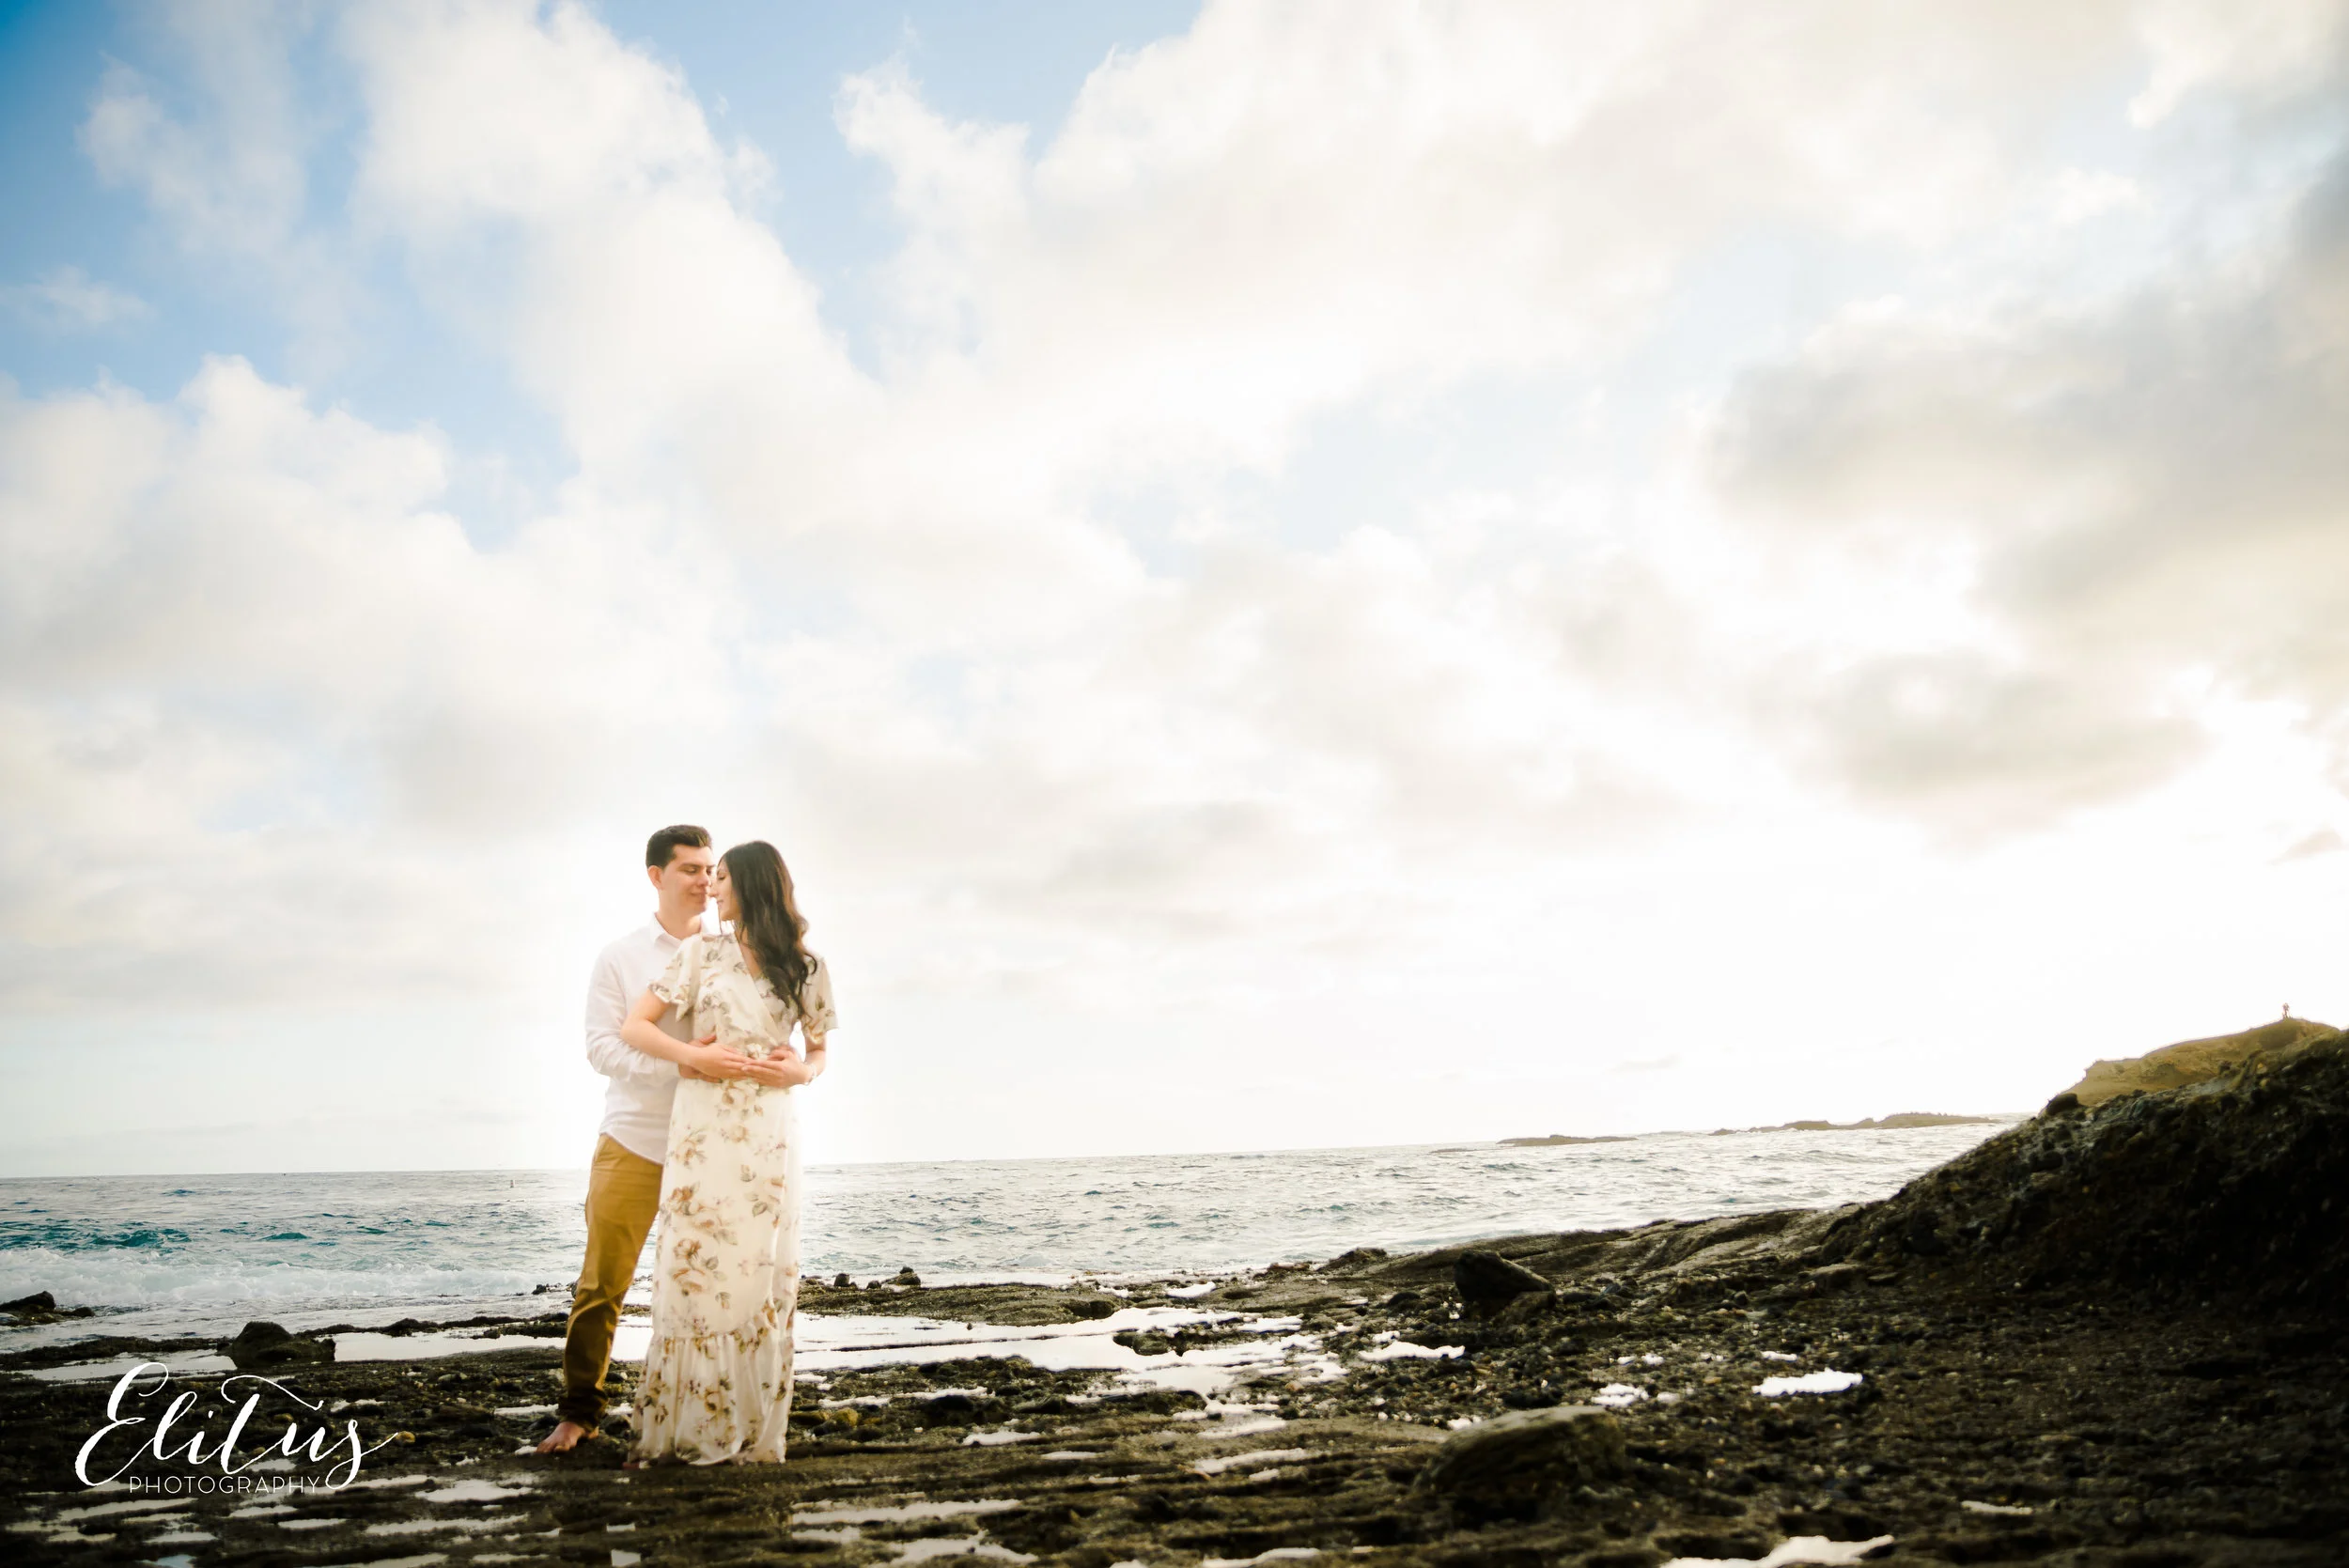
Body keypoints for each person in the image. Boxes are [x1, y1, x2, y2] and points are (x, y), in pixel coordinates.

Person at [537, 826, 798, 1456]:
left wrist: (794, 1066)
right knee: (603, 1283)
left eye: (712, 868)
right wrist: (681, 1063)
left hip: (715, 1152)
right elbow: (603, 1046)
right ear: (656, 875)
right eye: (689, 869)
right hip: (638, 1138)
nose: (705, 880)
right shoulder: (621, 956)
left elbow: (774, 1036)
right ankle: (578, 1413)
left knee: (715, 1284)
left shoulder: (740, 951)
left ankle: (712, 1410)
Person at [615, 839, 834, 1465]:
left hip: (769, 1133)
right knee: (696, 1273)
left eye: (724, 878)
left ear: (753, 886)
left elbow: (818, 1050)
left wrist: (803, 1072)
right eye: (709, 876)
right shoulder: (699, 952)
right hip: (703, 1128)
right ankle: (691, 1429)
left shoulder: (807, 963)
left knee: (761, 1276)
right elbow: (637, 1025)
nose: (713, 887)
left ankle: (754, 1428)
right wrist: (694, 1055)